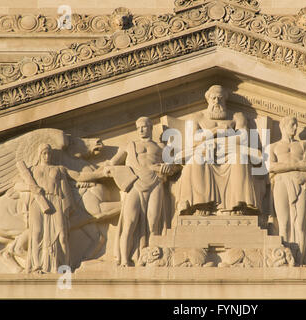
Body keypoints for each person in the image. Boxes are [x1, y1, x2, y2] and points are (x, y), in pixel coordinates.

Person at [176, 85, 258, 216]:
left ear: (225, 99)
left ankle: (237, 206)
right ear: (208, 99)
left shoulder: (237, 116)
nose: (216, 102)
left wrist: (221, 141)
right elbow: (192, 140)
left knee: (240, 158)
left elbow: (243, 138)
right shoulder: (197, 117)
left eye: (220, 98)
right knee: (197, 159)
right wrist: (216, 132)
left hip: (228, 151)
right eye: (213, 98)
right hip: (205, 152)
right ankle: (201, 205)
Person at [26, 143, 108, 273]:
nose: (47, 156)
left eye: (49, 153)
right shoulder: (31, 170)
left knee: (62, 235)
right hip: (38, 202)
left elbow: (79, 176)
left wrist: (101, 173)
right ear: (39, 155)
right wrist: (32, 188)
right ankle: (37, 265)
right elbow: (17, 185)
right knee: (36, 233)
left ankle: (64, 267)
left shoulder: (59, 169)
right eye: (44, 153)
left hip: (56, 201)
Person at [106, 117, 175, 267]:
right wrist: (108, 169)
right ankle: (124, 260)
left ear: (150, 127)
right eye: (138, 128)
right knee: (129, 222)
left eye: (144, 127)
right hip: (135, 184)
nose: (141, 130)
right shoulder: (129, 145)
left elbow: (172, 167)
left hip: (155, 183)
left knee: (153, 222)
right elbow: (111, 163)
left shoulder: (161, 147)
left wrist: (167, 168)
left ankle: (150, 258)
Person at [269, 116, 306, 265]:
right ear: (283, 126)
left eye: (296, 125)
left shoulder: (305, 145)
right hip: (281, 183)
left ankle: (299, 260)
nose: (295, 128)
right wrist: (296, 166)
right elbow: (271, 167)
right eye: (293, 125)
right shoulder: (274, 147)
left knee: (300, 224)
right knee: (284, 222)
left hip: (300, 184)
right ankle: (286, 259)